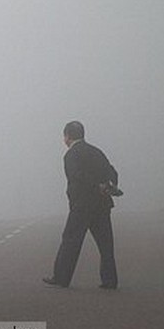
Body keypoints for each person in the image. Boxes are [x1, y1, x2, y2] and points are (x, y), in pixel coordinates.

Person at [43, 120, 121, 290]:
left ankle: (61, 278)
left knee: (71, 240)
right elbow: (112, 171)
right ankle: (110, 280)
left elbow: (76, 177)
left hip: (81, 206)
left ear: (68, 136)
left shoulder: (71, 155)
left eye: (64, 136)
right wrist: (109, 186)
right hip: (102, 204)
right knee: (106, 244)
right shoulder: (96, 152)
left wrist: (94, 186)